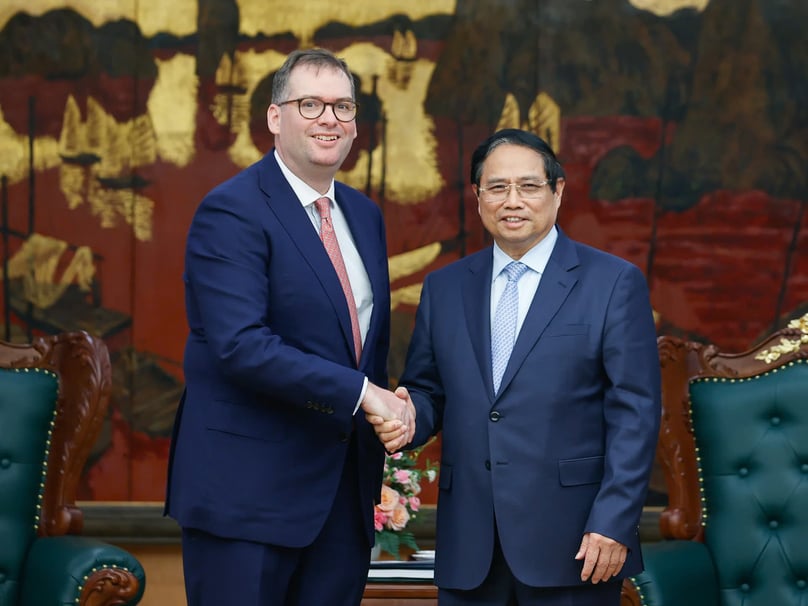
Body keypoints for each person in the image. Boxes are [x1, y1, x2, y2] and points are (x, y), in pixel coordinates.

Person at [165, 48, 414, 606]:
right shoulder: (231, 210)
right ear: (275, 118)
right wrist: (363, 394)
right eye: (311, 104)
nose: (330, 118)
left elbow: (357, 347)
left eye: (343, 107)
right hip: (246, 499)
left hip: (340, 501)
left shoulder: (364, 215)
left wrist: (390, 400)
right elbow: (241, 346)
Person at [372, 129, 661, 605]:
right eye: (498, 187)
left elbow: (637, 412)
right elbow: (428, 391)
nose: (513, 201)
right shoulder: (445, 288)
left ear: (558, 191)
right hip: (470, 547)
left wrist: (614, 521)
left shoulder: (612, 283)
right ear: (478, 196)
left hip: (575, 544)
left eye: (529, 186)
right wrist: (404, 415)